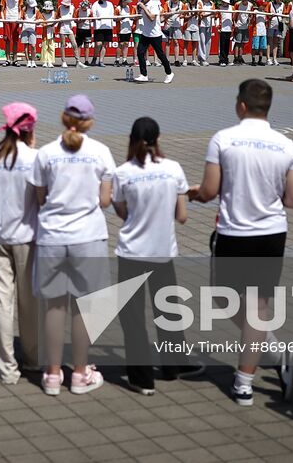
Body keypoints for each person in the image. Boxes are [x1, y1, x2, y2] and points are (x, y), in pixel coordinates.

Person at [190, 79, 293, 406]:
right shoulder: (286, 146)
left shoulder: (223, 139)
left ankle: (244, 381)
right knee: (256, 309)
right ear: (267, 107)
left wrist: (199, 194)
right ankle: (271, 357)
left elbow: (210, 190)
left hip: (234, 233)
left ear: (241, 105)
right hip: (271, 235)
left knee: (227, 302)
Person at [31, 95, 114, 396]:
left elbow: (40, 197)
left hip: (52, 235)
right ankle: (80, 373)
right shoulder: (101, 152)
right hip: (88, 235)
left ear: (64, 117)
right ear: (89, 121)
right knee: (85, 307)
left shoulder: (46, 153)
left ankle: (53, 374)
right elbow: (105, 201)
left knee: (54, 306)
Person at [113, 116, 188, 395]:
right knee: (167, 312)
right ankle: (173, 366)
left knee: (132, 318)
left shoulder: (122, 173)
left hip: (132, 251)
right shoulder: (173, 169)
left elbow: (122, 212)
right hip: (162, 251)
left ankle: (142, 378)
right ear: (159, 138)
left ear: (131, 140)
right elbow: (181, 216)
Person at [0, 102, 41, 385]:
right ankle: (33, 359)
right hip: (27, 237)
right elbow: (42, 200)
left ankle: (5, 367)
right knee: (29, 302)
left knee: (2, 302)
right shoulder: (36, 158)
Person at [133, 0, 174, 83]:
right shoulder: (142, 5)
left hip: (155, 35)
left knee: (160, 55)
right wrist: (141, 7)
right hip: (145, 34)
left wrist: (144, 8)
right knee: (140, 53)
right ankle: (144, 75)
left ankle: (169, 73)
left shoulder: (153, 5)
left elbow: (152, 18)